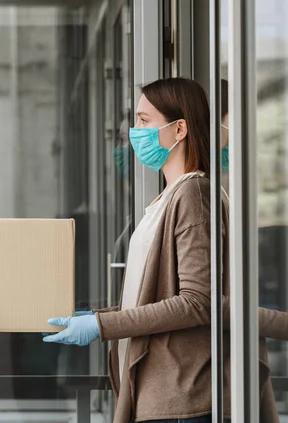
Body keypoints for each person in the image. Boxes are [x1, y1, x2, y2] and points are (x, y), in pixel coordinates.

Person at [43, 77, 279, 422]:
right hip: (173, 392)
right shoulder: (170, 197)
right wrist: (99, 316)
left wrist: (103, 326)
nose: (133, 131)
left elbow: (197, 302)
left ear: (179, 129)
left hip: (187, 396)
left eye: (143, 120)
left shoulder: (193, 193)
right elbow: (157, 294)